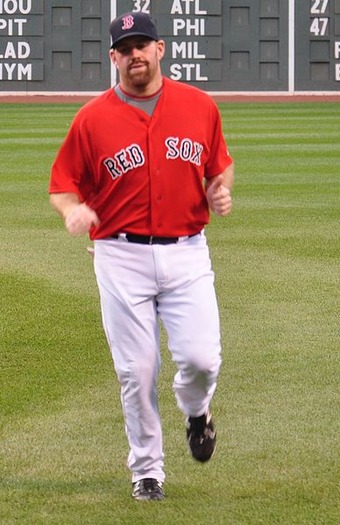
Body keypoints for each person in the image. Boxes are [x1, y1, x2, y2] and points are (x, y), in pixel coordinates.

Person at [49, 11, 234, 501]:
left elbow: (219, 167)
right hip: (120, 255)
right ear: (113, 58)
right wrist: (73, 211)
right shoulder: (91, 119)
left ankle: (197, 410)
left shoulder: (199, 106)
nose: (135, 54)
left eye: (142, 45)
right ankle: (147, 471)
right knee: (137, 369)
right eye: (125, 48)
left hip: (188, 252)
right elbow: (63, 186)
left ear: (160, 49)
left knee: (200, 359)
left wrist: (220, 190)